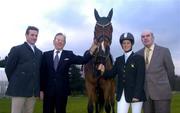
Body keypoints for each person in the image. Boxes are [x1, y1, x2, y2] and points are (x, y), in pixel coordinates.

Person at [40, 32, 98, 113]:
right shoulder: (46, 55)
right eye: (58, 40)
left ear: (64, 43)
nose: (60, 42)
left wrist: (93, 48)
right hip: (48, 92)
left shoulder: (69, 54)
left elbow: (83, 60)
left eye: (62, 41)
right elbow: (42, 74)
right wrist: (41, 90)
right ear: (54, 41)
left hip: (62, 92)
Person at [98, 32, 146, 113]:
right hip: (122, 94)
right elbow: (111, 74)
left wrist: (137, 95)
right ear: (121, 45)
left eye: (128, 43)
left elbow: (140, 78)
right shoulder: (119, 60)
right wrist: (103, 71)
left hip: (136, 94)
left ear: (131, 44)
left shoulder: (139, 59)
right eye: (124, 43)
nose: (126, 45)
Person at [5, 26, 42, 113]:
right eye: (32, 35)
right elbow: (8, 69)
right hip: (19, 90)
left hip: (32, 92)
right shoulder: (17, 49)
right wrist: (16, 81)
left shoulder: (39, 53)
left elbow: (38, 72)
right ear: (26, 35)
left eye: (36, 35)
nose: (34, 37)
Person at [137, 30, 175, 113]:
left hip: (162, 93)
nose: (145, 38)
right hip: (145, 95)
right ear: (141, 40)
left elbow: (171, 71)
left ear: (153, 37)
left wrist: (169, 88)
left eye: (148, 36)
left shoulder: (164, 51)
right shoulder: (138, 54)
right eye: (143, 37)